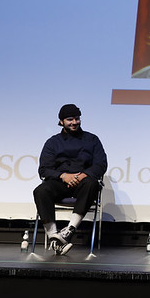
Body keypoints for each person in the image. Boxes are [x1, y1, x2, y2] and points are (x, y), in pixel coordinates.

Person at [33, 104, 107, 255]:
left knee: (92, 183)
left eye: (77, 119)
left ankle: (69, 230)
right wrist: (63, 176)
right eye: (69, 119)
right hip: (60, 182)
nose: (74, 122)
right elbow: (44, 169)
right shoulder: (53, 142)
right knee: (40, 190)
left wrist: (81, 175)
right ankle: (54, 237)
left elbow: (101, 164)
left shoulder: (92, 139)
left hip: (83, 182)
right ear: (61, 121)